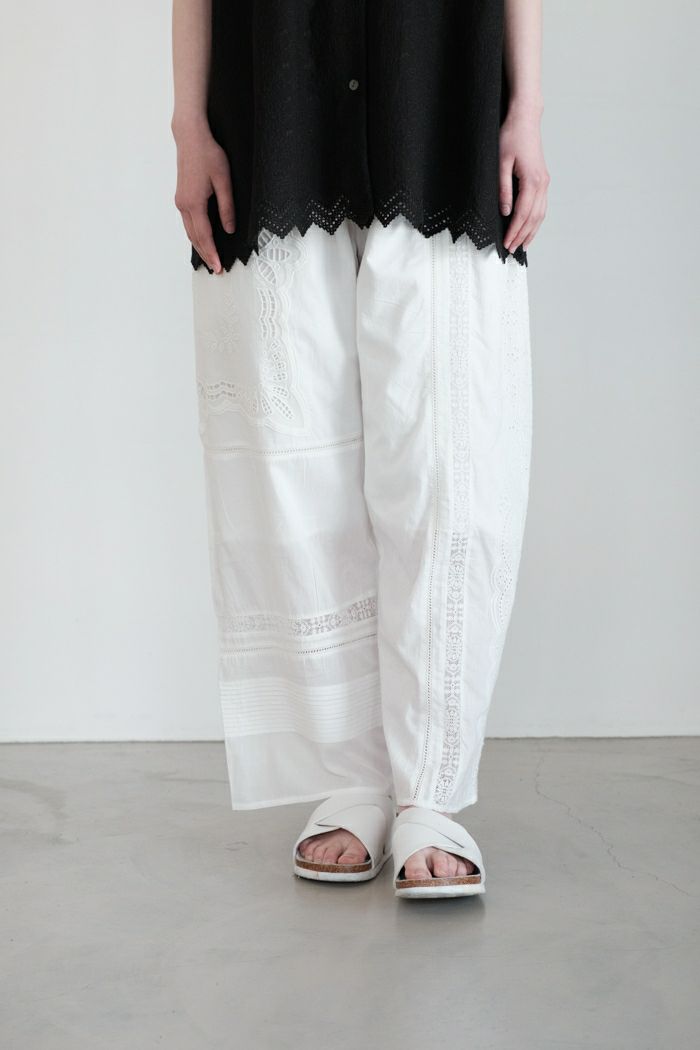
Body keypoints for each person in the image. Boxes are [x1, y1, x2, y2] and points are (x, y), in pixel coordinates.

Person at [171, 0, 549, 899]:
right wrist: (188, 123)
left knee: (446, 449)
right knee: (291, 446)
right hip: (275, 85)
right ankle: (350, 777)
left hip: (442, 85)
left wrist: (526, 108)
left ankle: (431, 789)